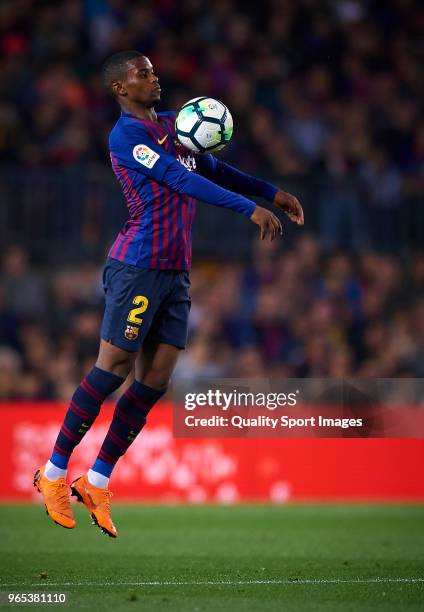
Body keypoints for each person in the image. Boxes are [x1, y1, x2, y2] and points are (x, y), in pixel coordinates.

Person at [34, 50, 304, 538]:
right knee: (111, 369)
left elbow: (211, 168)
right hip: (136, 267)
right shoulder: (126, 137)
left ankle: (96, 481)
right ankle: (52, 473)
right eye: (143, 73)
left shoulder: (177, 123)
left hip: (175, 272)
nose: (154, 78)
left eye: (154, 71)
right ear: (121, 88)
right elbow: (181, 177)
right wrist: (249, 210)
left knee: (156, 379)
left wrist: (271, 191)